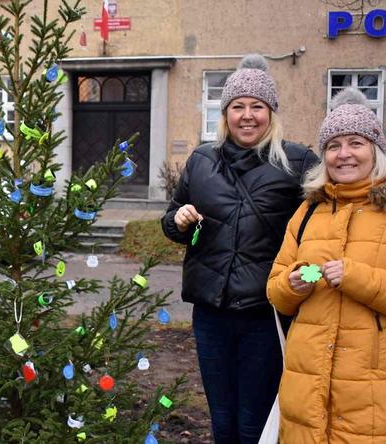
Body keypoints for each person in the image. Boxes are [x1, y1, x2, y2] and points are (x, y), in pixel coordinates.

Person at [161, 54, 318, 443]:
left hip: (265, 316)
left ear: (271, 113)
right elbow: (171, 220)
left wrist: (310, 275)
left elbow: (327, 230)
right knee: (222, 420)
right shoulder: (201, 161)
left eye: (257, 107)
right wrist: (178, 221)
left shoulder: (298, 162)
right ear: (225, 113)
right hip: (210, 314)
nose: (247, 116)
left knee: (254, 422)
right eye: (238, 107)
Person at [267, 88, 386, 443]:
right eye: (333, 145)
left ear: (375, 150)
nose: (343, 154)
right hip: (306, 386)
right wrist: (292, 285)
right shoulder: (306, 212)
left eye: (355, 143)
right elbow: (275, 291)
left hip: (371, 392)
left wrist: (355, 277)